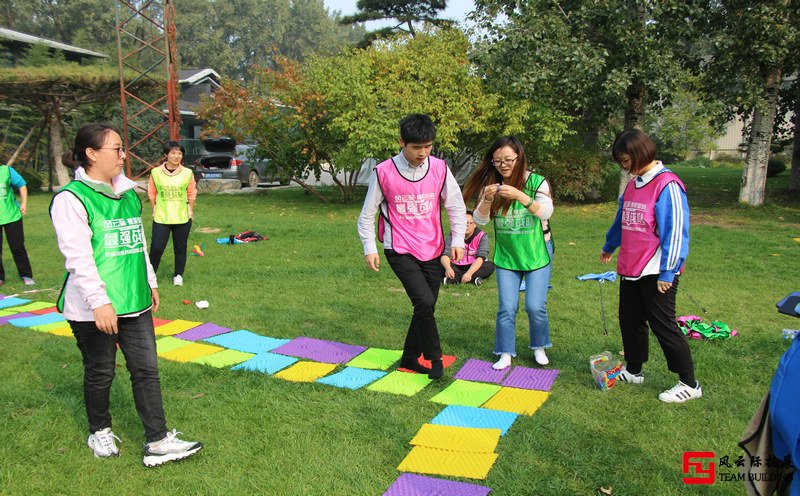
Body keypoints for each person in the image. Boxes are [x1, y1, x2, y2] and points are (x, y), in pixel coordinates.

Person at [51, 123, 202, 466]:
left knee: (146, 369)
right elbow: (79, 258)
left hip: (134, 299)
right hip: (94, 306)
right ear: (91, 154)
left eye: (122, 148)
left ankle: (158, 440)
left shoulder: (128, 193)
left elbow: (137, 245)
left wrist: (150, 282)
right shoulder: (71, 199)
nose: (123, 156)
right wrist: (100, 303)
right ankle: (99, 431)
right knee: (101, 370)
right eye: (116, 149)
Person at [357, 114, 467, 380]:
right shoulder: (383, 172)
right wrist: (369, 248)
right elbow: (367, 214)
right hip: (399, 248)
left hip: (432, 248)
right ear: (402, 143)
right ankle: (435, 359)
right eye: (417, 147)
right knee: (424, 301)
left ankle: (408, 357)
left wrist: (458, 240)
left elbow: (455, 206)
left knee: (425, 307)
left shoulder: (440, 168)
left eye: (428, 147)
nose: (423, 153)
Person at [600, 128, 701, 403]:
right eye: (620, 160)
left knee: (663, 324)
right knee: (630, 319)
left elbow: (676, 231)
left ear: (640, 152)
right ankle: (634, 370)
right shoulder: (634, 184)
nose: (624, 165)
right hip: (631, 266)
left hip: (657, 269)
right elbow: (623, 218)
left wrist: (669, 271)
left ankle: (690, 383)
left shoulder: (667, 184)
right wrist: (610, 245)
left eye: (625, 159)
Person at [462, 136, 554, 370]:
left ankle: (539, 346)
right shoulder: (491, 187)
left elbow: (545, 212)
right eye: (497, 161)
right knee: (506, 307)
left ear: (519, 157)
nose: (503, 165)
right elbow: (480, 220)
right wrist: (488, 200)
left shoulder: (537, 182)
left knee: (535, 306)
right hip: (507, 255)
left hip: (537, 252)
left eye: (508, 159)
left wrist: (519, 195)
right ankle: (504, 353)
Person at [147, 140, 197, 286]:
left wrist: (190, 210)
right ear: (166, 154)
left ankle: (178, 275)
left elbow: (191, 193)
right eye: (173, 153)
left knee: (180, 248)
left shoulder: (187, 173)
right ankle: (151, 275)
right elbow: (152, 192)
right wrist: (154, 208)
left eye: (179, 153)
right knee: (156, 247)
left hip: (182, 217)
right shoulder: (155, 172)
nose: (176, 156)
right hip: (162, 217)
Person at [0, 162, 35, 286]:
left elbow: (22, 184)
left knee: (17, 247)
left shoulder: (6, 171)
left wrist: (24, 203)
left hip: (12, 216)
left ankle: (26, 275)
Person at [441, 211, 495, 286]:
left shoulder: (482, 236)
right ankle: (472, 279)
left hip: (473, 265)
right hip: (455, 264)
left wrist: (469, 273)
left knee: (490, 266)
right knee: (439, 263)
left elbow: (481, 257)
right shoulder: (453, 235)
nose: (466, 225)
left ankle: (456, 279)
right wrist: (448, 269)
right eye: (463, 223)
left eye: (470, 223)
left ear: (475, 224)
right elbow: (445, 254)